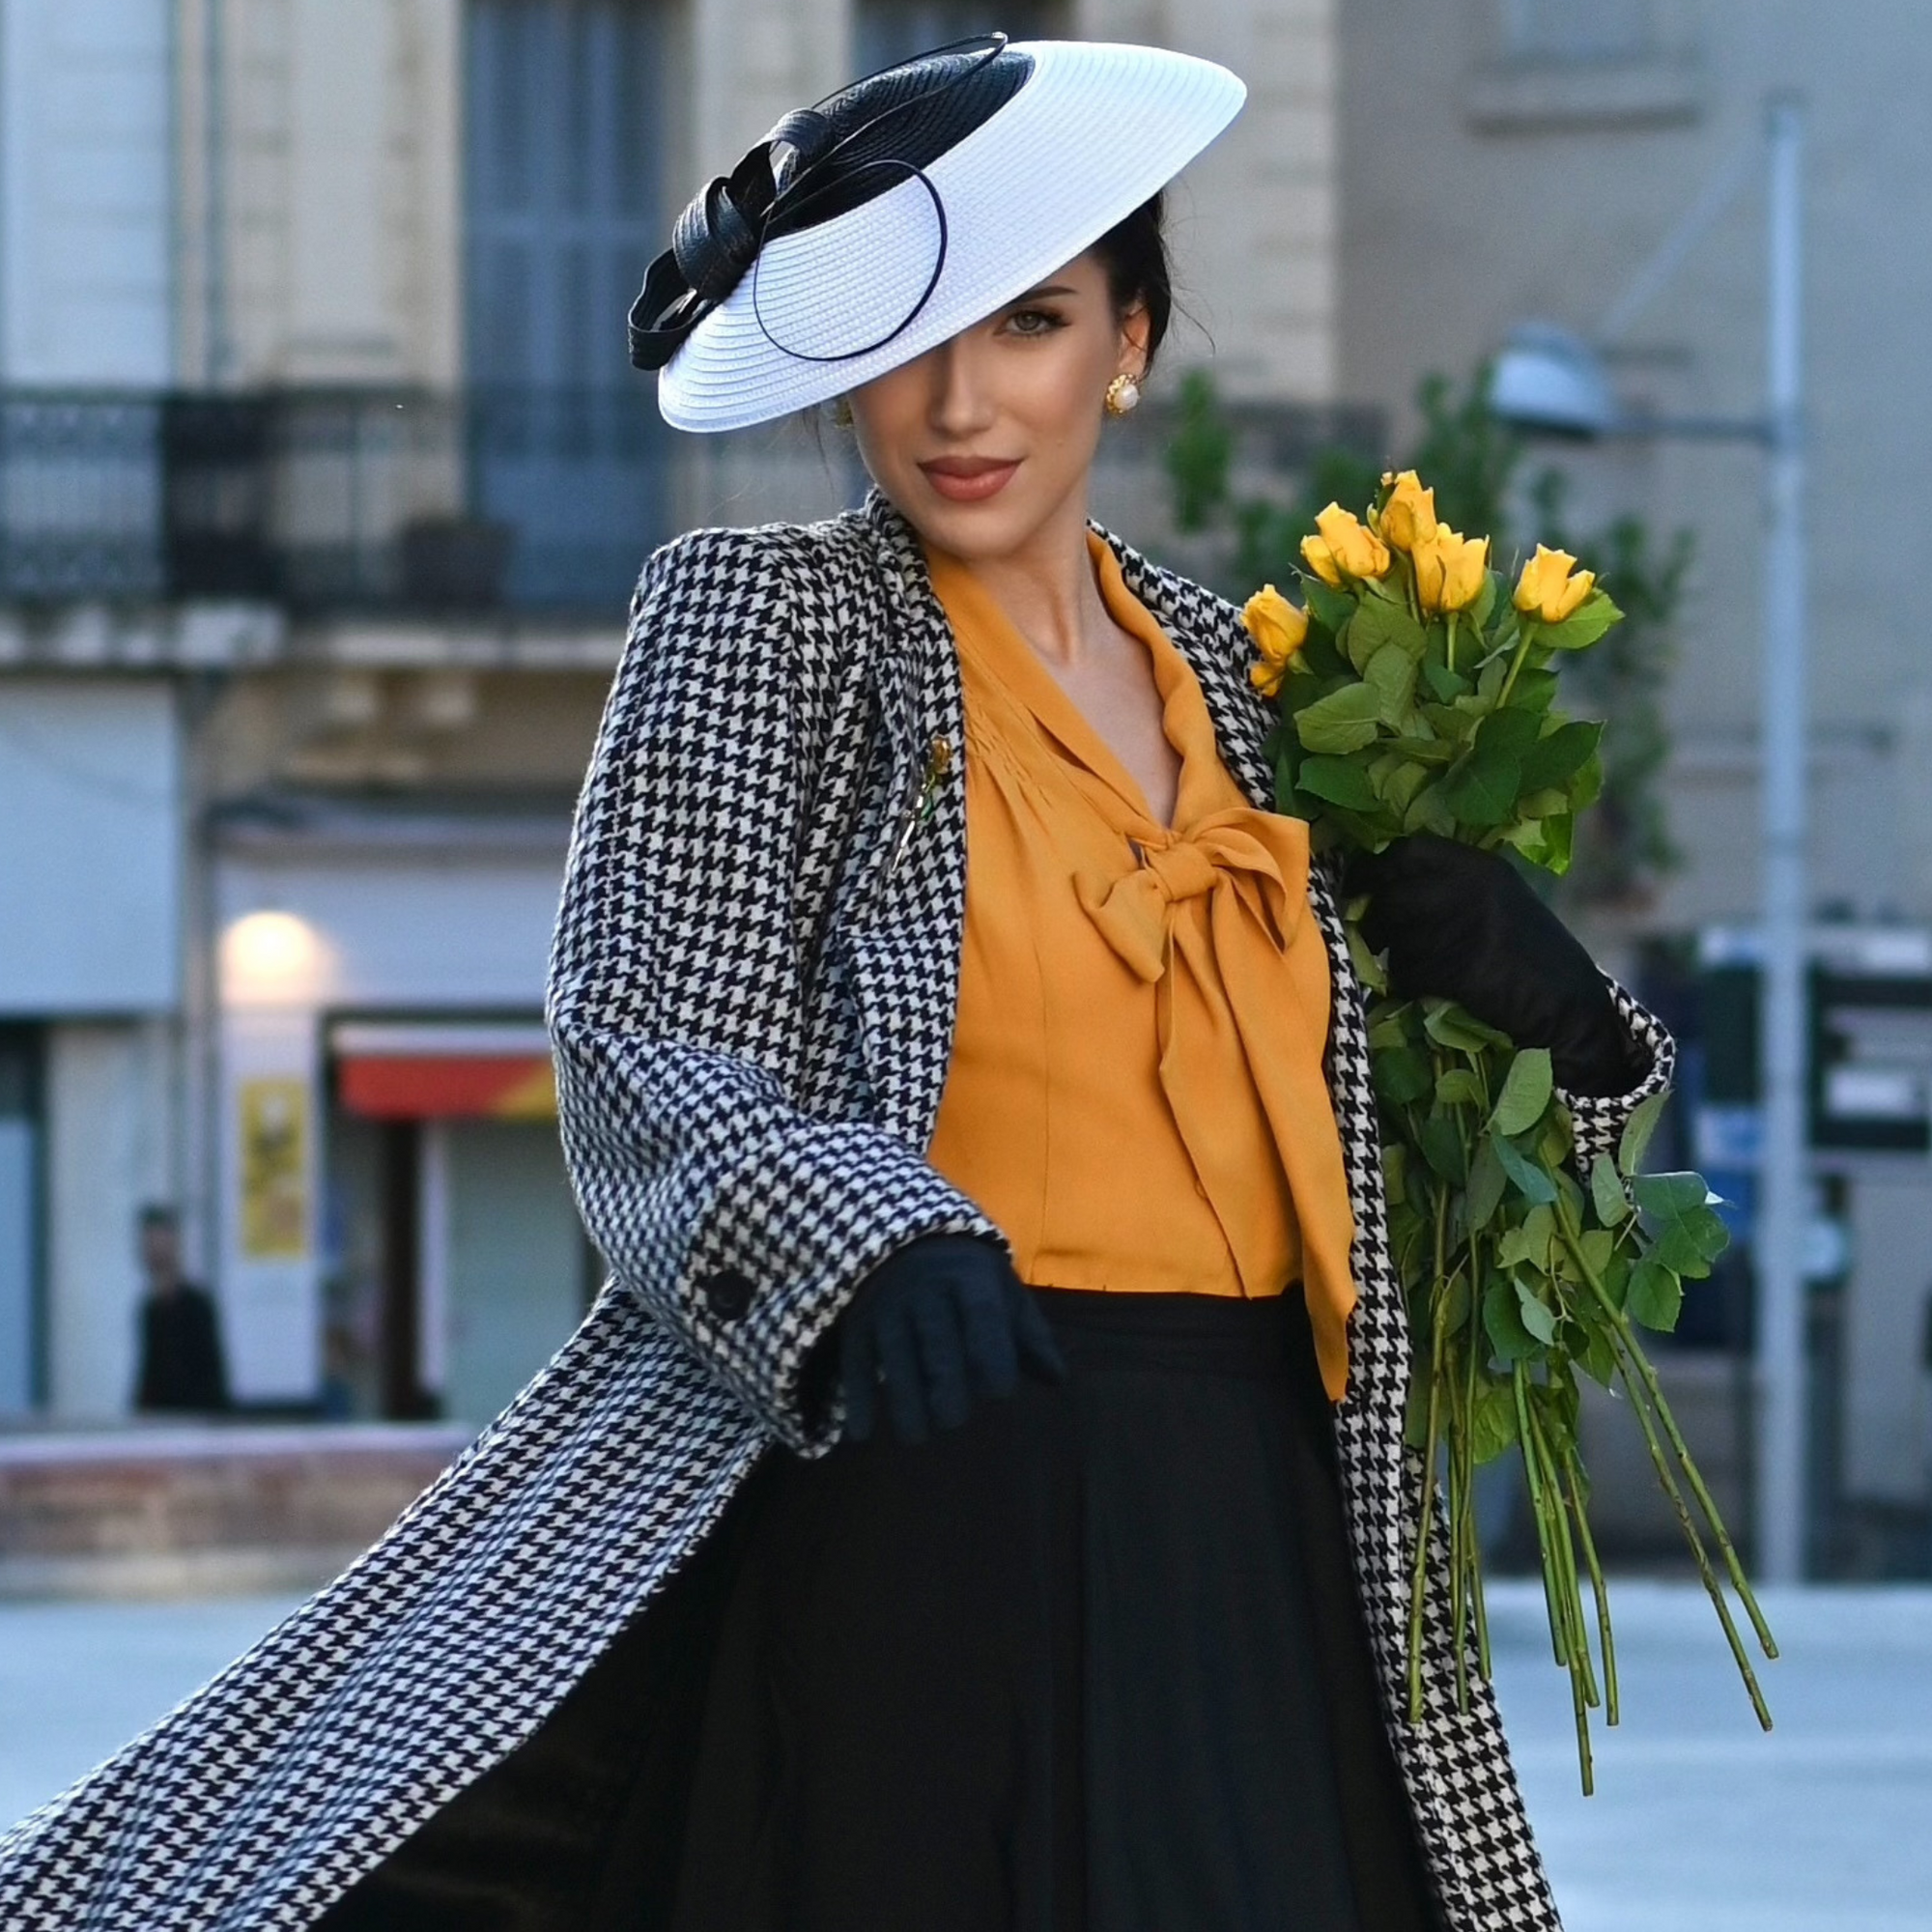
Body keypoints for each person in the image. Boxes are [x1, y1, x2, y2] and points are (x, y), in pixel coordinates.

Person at [0, 38, 1670, 1931]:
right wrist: (869, 1235)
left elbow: (1448, 1227)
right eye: (909, 338)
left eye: (1029, 321)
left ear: (1128, 341)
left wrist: (1567, 1029)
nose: (961, 400)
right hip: (917, 1493)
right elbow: (647, 1039)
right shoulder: (759, 623)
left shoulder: (1274, 693)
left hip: (1258, 1532)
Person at [131, 1204, 229, 1415]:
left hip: (194, 1426)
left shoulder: (197, 1307)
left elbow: (211, 1380)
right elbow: (149, 1378)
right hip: (160, 1427)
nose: (153, 1249)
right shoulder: (149, 1310)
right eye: (148, 1242)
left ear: (174, 1243)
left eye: (159, 1241)